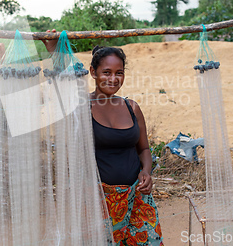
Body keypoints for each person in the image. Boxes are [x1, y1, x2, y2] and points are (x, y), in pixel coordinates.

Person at [44, 31, 163, 246]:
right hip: (99, 202)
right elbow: (63, 86)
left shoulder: (131, 107)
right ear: (93, 72)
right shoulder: (81, 107)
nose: (113, 79)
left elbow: (144, 149)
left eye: (119, 73)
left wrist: (146, 172)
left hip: (137, 197)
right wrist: (54, 50)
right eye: (106, 72)